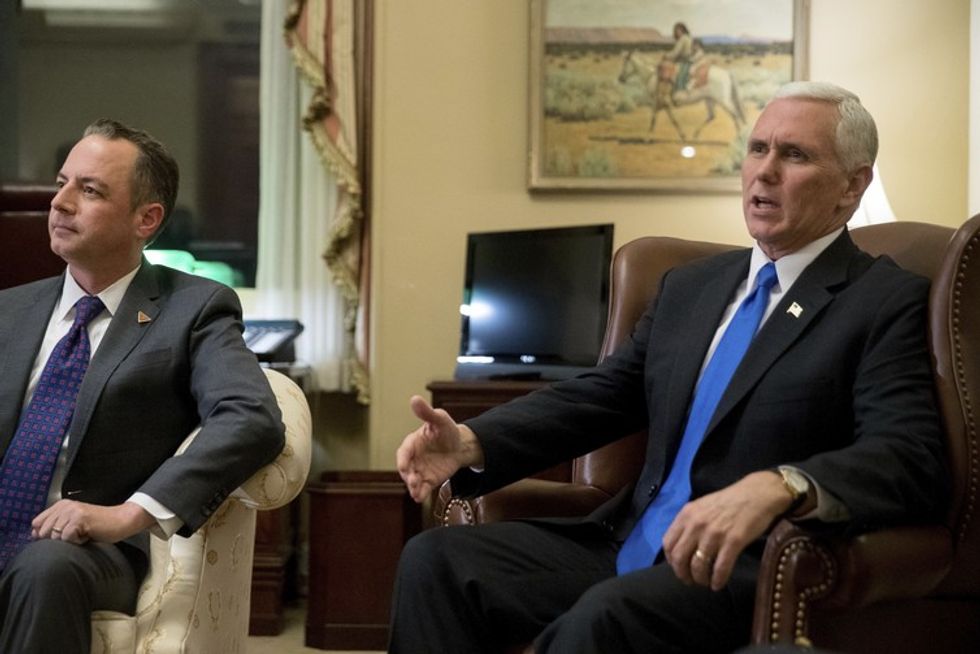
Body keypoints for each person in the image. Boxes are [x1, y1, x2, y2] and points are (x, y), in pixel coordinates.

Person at [390, 82, 947, 653]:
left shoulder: (882, 300)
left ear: (853, 185)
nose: (765, 171)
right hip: (627, 540)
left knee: (601, 620)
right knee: (436, 560)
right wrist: (471, 441)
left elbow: (908, 454)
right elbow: (605, 394)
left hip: (738, 563)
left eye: (795, 155)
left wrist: (782, 484)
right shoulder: (691, 287)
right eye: (758, 149)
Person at [0, 118, 285, 652]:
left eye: (89, 190)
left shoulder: (193, 309)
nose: (59, 203)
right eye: (61, 183)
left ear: (146, 218)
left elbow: (252, 418)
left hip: (89, 550)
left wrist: (130, 513)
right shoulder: (9, 310)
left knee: (44, 567)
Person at [664, 21, 695, 92]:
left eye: (678, 30)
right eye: (676, 31)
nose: (677, 32)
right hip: (689, 61)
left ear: (682, 30)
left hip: (683, 62)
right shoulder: (688, 38)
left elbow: (675, 53)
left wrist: (666, 55)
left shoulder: (682, 39)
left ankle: (676, 90)